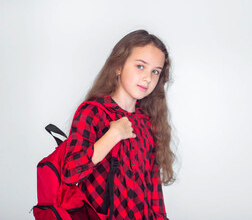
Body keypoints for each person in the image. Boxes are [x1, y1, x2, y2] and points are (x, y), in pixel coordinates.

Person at [61, 30, 175, 220]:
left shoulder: (147, 122)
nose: (148, 78)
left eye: (155, 71)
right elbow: (70, 174)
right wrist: (112, 136)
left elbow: (153, 189)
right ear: (118, 66)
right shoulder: (92, 112)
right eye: (140, 66)